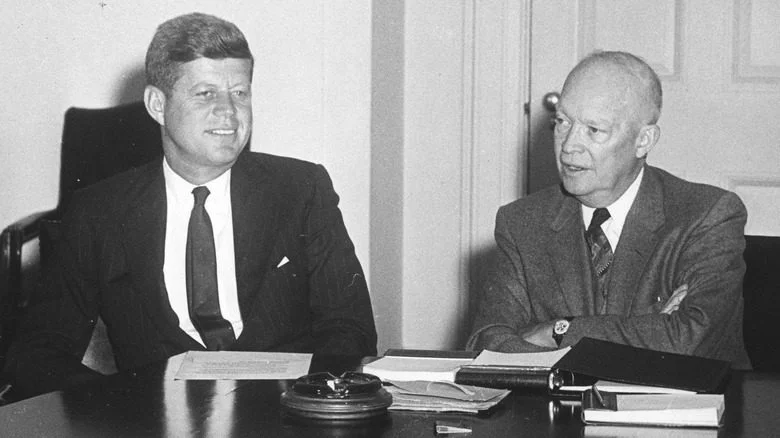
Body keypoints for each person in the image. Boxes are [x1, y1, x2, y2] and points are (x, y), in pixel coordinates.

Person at [5, 12, 377, 398]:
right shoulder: (99, 213)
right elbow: (36, 353)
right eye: (205, 93)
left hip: (284, 412)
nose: (229, 112)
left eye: (240, 93)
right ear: (157, 105)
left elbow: (351, 330)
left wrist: (311, 402)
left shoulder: (301, 191)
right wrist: (118, 409)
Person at [467, 51, 751, 368]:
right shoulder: (523, 222)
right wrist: (649, 329)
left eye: (594, 129)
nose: (569, 145)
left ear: (643, 141)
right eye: (561, 122)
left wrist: (560, 331)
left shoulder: (707, 215)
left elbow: (689, 341)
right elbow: (488, 345)